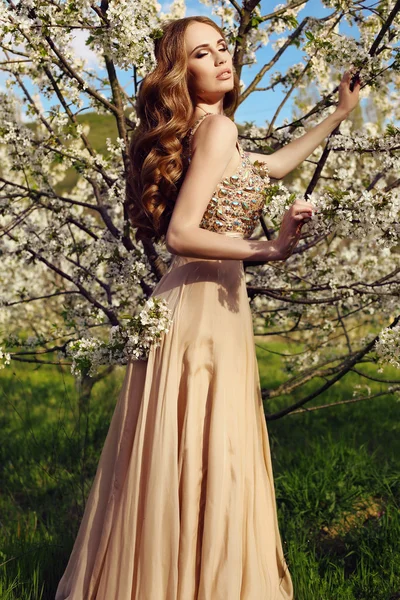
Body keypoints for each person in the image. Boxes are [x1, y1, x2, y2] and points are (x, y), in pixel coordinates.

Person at [55, 15, 360, 600]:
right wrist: (267, 248)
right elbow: (181, 233)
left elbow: (272, 167)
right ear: (179, 71)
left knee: (181, 455)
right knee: (204, 452)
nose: (222, 59)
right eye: (202, 53)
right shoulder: (214, 131)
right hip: (201, 307)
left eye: (222, 47)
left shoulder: (211, 130)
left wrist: (339, 114)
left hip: (199, 305)